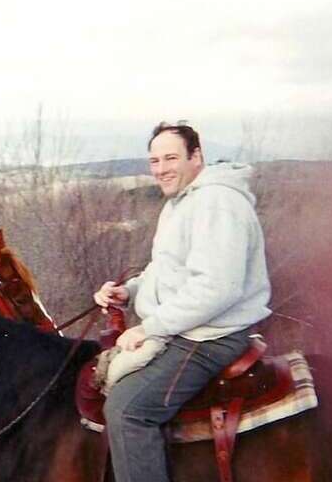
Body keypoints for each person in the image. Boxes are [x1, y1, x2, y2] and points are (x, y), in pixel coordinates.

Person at [93, 121, 272, 482]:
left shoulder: (216, 202)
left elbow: (217, 288)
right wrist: (130, 292)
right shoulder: (182, 201)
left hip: (210, 336)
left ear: (196, 157)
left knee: (127, 409)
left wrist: (148, 328)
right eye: (154, 160)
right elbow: (167, 273)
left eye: (171, 158)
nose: (161, 169)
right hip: (188, 328)